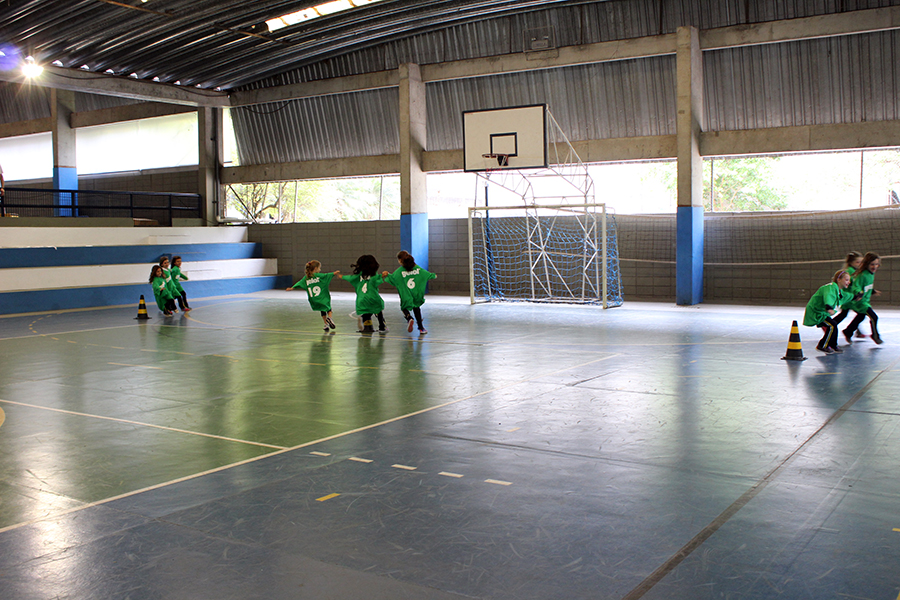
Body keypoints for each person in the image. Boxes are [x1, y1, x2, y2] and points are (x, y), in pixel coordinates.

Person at [382, 250, 437, 334]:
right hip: (416, 294)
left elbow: (393, 279)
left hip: (406, 294)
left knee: (404, 307)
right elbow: (426, 274)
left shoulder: (400, 271)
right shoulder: (417, 268)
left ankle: (409, 318)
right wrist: (433, 275)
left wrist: (387, 275)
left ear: (400, 260)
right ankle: (421, 328)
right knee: (416, 308)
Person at [803, 269, 854, 354]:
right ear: (839, 279)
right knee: (832, 325)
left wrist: (856, 296)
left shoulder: (839, 291)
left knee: (833, 325)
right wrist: (829, 307)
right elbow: (828, 296)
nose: (848, 282)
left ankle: (833, 345)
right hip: (816, 312)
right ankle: (822, 345)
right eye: (846, 280)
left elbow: (847, 296)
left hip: (822, 312)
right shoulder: (830, 287)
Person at [286, 260, 340, 331]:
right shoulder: (319, 276)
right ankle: (330, 318)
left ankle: (326, 324)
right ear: (315, 268)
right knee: (328, 308)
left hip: (314, 299)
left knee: (322, 309)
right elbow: (327, 275)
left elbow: (300, 283)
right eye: (319, 268)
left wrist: (292, 288)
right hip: (322, 297)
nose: (320, 269)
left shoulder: (306, 278)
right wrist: (334, 273)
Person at [842, 252, 883, 345]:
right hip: (860, 302)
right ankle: (875, 335)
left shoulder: (871, 274)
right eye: (872, 264)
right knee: (874, 317)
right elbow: (856, 286)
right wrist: (859, 293)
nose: (875, 266)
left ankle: (848, 331)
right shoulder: (862, 275)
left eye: (877, 264)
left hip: (865, 301)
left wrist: (872, 291)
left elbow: (866, 286)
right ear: (867, 264)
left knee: (861, 316)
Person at [342, 254, 386, 333]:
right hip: (373, 297)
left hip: (361, 299)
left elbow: (350, 278)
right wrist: (382, 276)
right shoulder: (374, 274)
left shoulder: (359, 275)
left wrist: (342, 276)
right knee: (378, 310)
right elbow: (377, 281)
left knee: (366, 312)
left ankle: (367, 327)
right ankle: (382, 327)